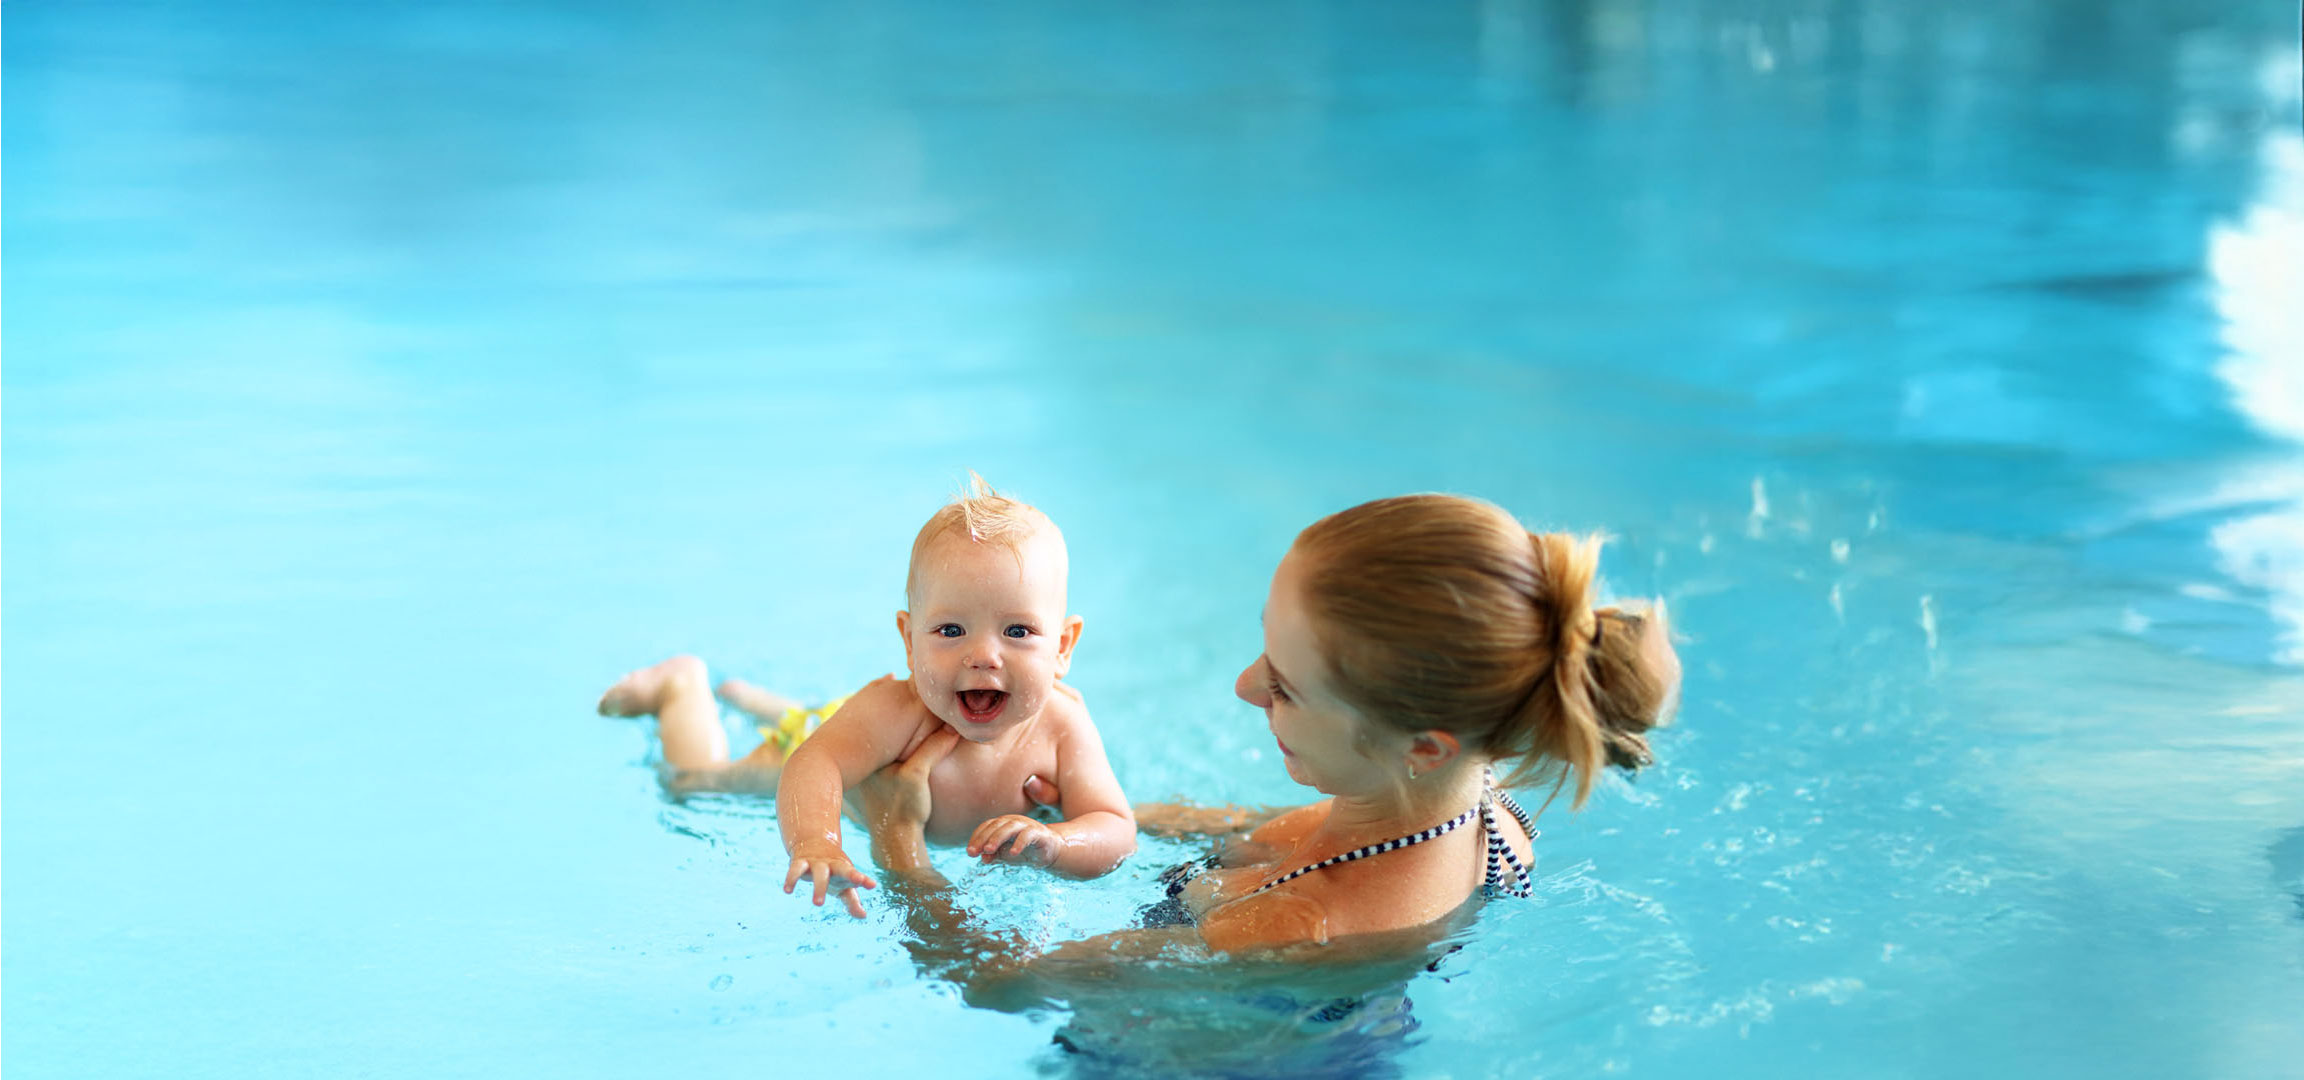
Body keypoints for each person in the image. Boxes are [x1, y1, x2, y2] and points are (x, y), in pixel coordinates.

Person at [857, 493, 1681, 1007]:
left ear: (1424, 745)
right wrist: (1077, 808)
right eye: (1267, 649)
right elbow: (1266, 828)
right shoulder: (1470, 793)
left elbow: (1000, 985)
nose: (1247, 687)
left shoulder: (1302, 924)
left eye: (1286, 686)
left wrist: (898, 844)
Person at [596, 476, 1136, 917]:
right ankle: (681, 688)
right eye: (951, 631)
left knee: (839, 724)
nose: (984, 656)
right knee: (698, 783)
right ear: (908, 640)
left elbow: (1114, 826)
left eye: (1017, 632)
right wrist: (816, 838)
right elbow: (816, 761)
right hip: (842, 733)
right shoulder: (899, 711)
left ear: (1063, 646)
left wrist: (1058, 844)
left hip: (856, 729)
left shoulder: (1063, 725)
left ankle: (763, 702)